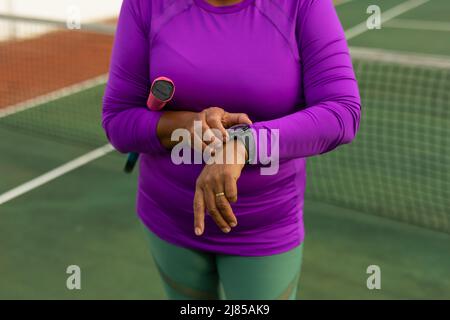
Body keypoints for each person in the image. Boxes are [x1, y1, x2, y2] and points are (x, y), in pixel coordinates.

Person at [102, 0, 361, 300]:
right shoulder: (144, 5)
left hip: (265, 227)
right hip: (169, 219)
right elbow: (118, 120)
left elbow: (341, 113)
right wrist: (191, 125)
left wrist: (244, 144)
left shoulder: (304, 5)